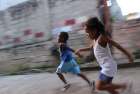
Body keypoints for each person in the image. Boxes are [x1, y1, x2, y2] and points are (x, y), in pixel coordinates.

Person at [76, 17, 134, 94]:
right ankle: (123, 87)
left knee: (98, 86)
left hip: (109, 66)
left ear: (94, 30)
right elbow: (90, 48)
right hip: (107, 66)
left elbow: (116, 45)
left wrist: (128, 55)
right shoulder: (95, 40)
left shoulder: (102, 38)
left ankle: (125, 85)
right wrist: (80, 50)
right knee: (108, 87)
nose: (87, 35)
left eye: (88, 32)